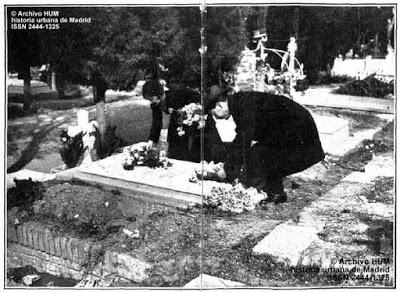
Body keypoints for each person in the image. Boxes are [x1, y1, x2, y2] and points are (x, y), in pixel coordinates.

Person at [204, 90, 325, 204]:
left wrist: (227, 169)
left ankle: (267, 192)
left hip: (298, 130)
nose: (216, 117)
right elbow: (244, 137)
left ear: (220, 106)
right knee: (263, 153)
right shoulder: (239, 102)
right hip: (291, 129)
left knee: (260, 155)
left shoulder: (241, 106)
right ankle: (275, 192)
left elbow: (243, 140)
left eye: (214, 114)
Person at [164, 83, 201, 162]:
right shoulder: (175, 92)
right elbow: (167, 109)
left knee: (181, 143)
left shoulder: (173, 92)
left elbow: (166, 109)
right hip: (179, 120)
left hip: (184, 119)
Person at [142, 73, 165, 150]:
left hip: (157, 103)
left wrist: (157, 99)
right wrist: (153, 99)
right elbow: (145, 95)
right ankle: (154, 139)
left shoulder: (154, 84)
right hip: (155, 103)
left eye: (148, 78)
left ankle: (155, 139)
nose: (147, 79)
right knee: (157, 121)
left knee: (157, 121)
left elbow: (161, 93)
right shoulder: (148, 85)